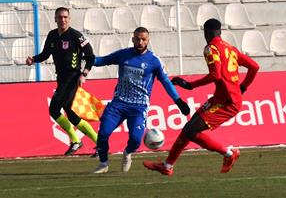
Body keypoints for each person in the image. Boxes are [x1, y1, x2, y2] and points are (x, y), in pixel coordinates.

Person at [143, 18, 259, 176]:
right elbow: (254, 67)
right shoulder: (231, 49)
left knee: (191, 131)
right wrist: (243, 88)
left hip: (227, 102)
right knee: (188, 130)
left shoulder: (211, 49)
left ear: (206, 32)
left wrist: (190, 85)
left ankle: (229, 154)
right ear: (220, 32)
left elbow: (215, 75)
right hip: (222, 98)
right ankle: (167, 165)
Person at [92, 27, 190, 173]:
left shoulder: (154, 61)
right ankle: (103, 164)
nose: (140, 42)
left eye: (143, 39)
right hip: (118, 103)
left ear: (148, 40)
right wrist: (86, 57)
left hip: (138, 108)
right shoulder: (123, 54)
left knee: (136, 139)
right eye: (137, 38)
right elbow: (102, 61)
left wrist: (178, 101)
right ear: (133, 39)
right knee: (103, 133)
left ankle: (127, 153)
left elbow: (166, 82)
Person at [26, 7, 98, 156]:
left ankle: (76, 141)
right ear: (55, 19)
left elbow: (91, 56)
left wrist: (84, 73)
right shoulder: (52, 35)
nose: (62, 20)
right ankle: (99, 143)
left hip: (72, 79)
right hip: (61, 79)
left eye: (65, 17)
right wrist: (33, 59)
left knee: (53, 109)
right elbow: (45, 54)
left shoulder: (76, 36)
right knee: (70, 114)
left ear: (69, 19)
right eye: (59, 17)